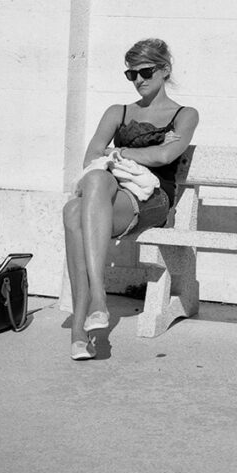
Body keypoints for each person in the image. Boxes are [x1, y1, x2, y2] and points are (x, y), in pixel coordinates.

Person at [62, 38, 199, 360]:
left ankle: (87, 317)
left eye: (146, 71)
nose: (139, 80)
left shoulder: (184, 114)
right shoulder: (118, 112)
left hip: (154, 199)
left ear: (165, 70)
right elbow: (90, 158)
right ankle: (91, 312)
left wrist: (119, 151)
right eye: (131, 74)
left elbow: (167, 153)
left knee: (78, 205)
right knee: (76, 206)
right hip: (112, 192)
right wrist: (145, 153)